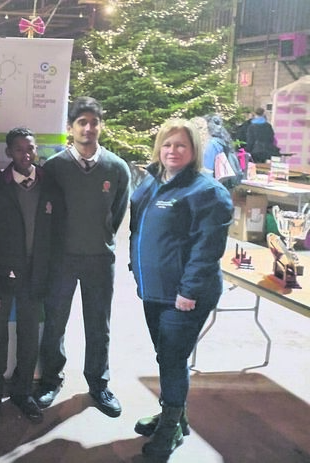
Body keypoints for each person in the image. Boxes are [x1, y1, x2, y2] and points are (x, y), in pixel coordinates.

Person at [129, 118, 232, 458]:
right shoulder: (153, 181)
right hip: (154, 289)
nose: (172, 150)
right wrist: (136, 268)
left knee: (173, 358)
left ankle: (170, 428)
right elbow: (138, 229)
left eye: (181, 145)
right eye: (167, 144)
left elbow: (207, 249)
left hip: (184, 295)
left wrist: (188, 291)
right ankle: (176, 416)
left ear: (194, 150)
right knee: (166, 355)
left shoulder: (207, 192)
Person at [36, 96, 130, 418]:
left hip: (99, 259)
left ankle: (99, 384)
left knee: (98, 325)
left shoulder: (117, 168)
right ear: (70, 127)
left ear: (101, 126)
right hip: (62, 258)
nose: (88, 128)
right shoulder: (54, 168)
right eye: (82, 122)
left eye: (94, 122)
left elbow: (117, 213)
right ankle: (50, 379)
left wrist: (100, 237)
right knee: (55, 322)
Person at [0, 127, 63, 423]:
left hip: (36, 274)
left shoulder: (49, 183)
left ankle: (23, 392)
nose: (26, 155)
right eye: (19, 149)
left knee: (29, 334)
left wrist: (50, 274)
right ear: (9, 152)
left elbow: (57, 233)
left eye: (30, 148)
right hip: (2, 275)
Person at [201, 114, 241, 187]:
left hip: (213, 185)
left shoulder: (212, 144)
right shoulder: (224, 141)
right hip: (225, 184)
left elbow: (207, 171)